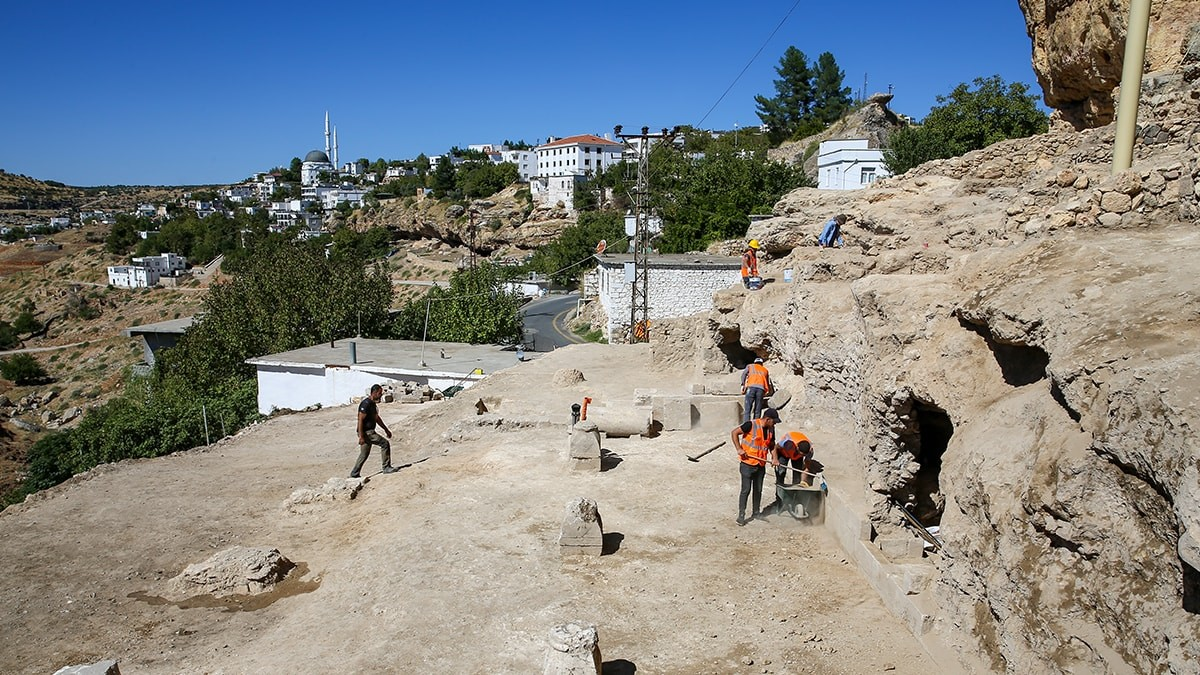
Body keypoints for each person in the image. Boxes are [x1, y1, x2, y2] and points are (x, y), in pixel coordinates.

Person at [730, 407, 780, 526]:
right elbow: (734, 433)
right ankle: (741, 516)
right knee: (746, 490)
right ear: (767, 419)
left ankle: (756, 513)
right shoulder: (751, 425)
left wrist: (775, 458)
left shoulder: (771, 429)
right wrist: (739, 449)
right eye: (774, 421)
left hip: (760, 464)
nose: (774, 424)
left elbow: (772, 445)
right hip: (747, 464)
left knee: (758, 490)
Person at [350, 384, 396, 478]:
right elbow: (360, 420)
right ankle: (386, 467)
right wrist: (361, 436)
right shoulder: (365, 404)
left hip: (367, 432)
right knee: (385, 444)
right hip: (367, 432)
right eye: (379, 393)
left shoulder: (372, 404)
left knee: (364, 454)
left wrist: (386, 429)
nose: (380, 395)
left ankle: (354, 473)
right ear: (374, 392)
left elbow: (377, 418)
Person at [740, 357, 773, 423]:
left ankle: (746, 425)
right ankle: (756, 425)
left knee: (747, 409)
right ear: (762, 364)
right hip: (761, 389)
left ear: (754, 362)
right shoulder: (765, 370)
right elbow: (767, 381)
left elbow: (743, 375)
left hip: (751, 388)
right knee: (757, 409)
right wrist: (767, 390)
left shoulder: (750, 366)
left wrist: (743, 384)